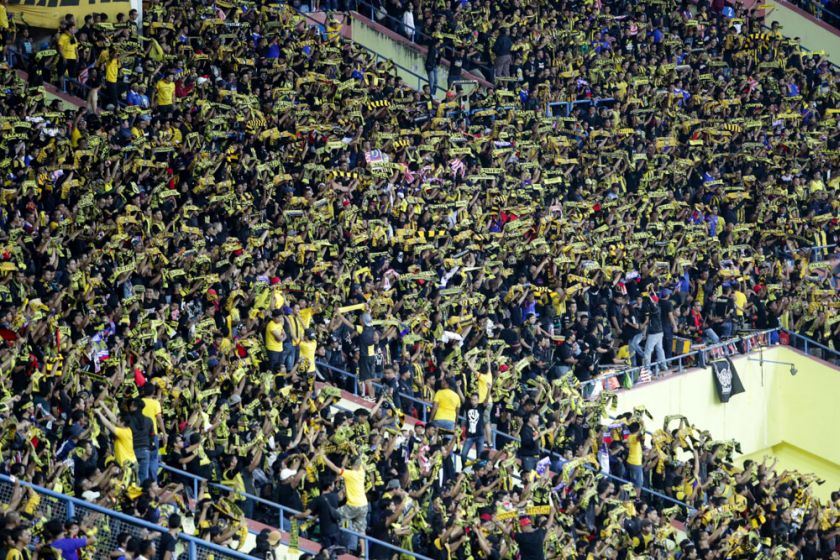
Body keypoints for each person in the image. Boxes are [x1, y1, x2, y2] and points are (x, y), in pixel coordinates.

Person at [321, 454, 368, 557]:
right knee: (361, 530)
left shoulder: (349, 473)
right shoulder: (362, 472)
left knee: (333, 514)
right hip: (364, 505)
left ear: (351, 465)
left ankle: (333, 543)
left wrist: (323, 457)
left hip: (352, 506)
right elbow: (358, 460)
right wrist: (354, 452)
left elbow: (334, 467)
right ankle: (364, 553)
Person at [294, 478, 342, 548]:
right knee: (334, 552)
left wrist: (295, 516)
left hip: (325, 531)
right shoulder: (335, 497)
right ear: (329, 487)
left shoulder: (318, 499)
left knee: (327, 552)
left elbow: (305, 514)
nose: (334, 486)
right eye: (333, 484)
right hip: (336, 530)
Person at [460, 393, 484, 466]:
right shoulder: (468, 406)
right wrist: (458, 388)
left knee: (479, 457)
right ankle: (465, 468)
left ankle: (476, 472)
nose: (473, 401)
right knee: (463, 454)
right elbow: (462, 398)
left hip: (480, 436)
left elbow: (486, 401)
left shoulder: (481, 407)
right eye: (472, 399)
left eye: (475, 400)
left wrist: (489, 389)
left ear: (478, 401)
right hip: (469, 436)